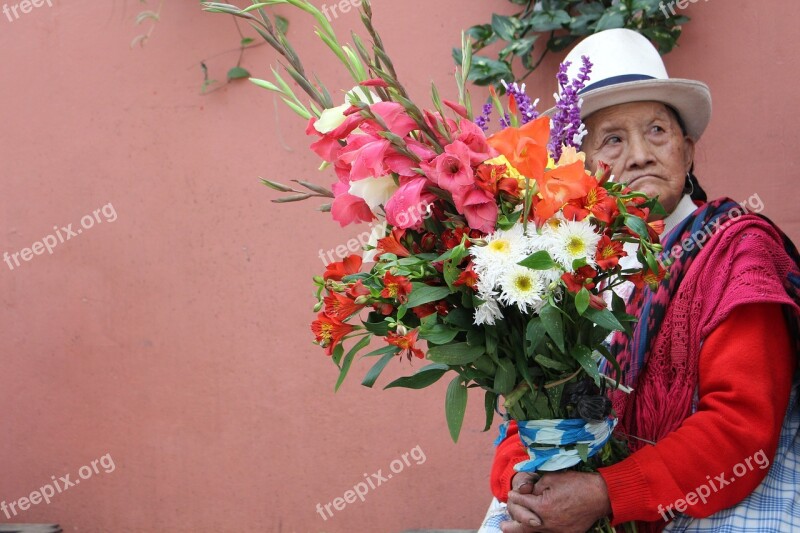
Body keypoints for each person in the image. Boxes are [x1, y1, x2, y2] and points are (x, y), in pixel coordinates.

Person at [484, 29, 800, 533]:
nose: (640, 155)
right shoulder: (564, 271)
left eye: (657, 131)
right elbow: (526, 408)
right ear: (579, 166)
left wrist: (607, 494)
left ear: (688, 149)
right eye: (612, 139)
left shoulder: (737, 252)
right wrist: (522, 487)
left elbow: (740, 427)